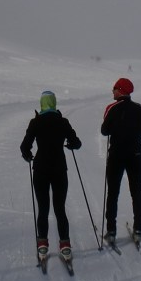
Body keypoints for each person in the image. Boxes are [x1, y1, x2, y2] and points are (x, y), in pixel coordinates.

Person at [20, 91, 82, 262]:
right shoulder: (63, 122)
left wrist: (28, 155)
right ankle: (65, 246)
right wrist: (70, 145)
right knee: (60, 208)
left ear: (42, 103)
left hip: (40, 169)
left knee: (43, 208)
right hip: (59, 169)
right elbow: (77, 143)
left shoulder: (35, 122)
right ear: (54, 103)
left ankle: (42, 246)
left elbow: (24, 146)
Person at [100, 77, 141, 244]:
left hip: (117, 155)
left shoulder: (111, 108)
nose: (112, 91)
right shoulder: (139, 108)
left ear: (120, 90)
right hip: (135, 155)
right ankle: (138, 230)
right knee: (136, 192)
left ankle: (111, 231)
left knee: (113, 193)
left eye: (114, 88)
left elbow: (104, 131)